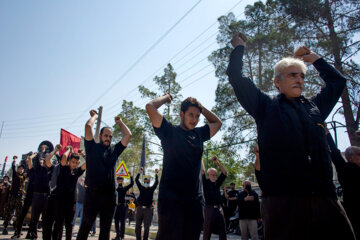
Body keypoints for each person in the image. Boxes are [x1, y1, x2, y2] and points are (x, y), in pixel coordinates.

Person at [227, 32, 355, 239]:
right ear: (277, 81)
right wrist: (239, 47)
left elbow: (337, 82)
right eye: (292, 75)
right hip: (284, 201)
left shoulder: (315, 107)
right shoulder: (265, 106)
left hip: (325, 197)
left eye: (302, 76)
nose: (299, 79)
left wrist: (314, 59)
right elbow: (236, 76)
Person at [146, 95, 222, 240]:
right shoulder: (169, 131)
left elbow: (217, 122)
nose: (194, 119)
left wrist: (201, 107)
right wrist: (166, 98)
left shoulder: (199, 134)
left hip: (195, 202)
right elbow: (150, 107)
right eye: (191, 115)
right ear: (181, 114)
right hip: (171, 200)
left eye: (197, 116)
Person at [77, 110, 132, 240]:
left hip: (109, 196)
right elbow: (88, 127)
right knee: (85, 227)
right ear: (100, 136)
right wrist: (94, 116)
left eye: (110, 136)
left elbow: (128, 135)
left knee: (105, 230)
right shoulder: (91, 147)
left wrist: (120, 122)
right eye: (106, 135)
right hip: (92, 194)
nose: (108, 138)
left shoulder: (114, 150)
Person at [327, 130, 360, 239]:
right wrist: (327, 134)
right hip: (355, 214)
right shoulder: (346, 170)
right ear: (350, 157)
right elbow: (335, 153)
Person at [49, 147, 86, 240]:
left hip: (71, 202)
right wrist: (69, 149)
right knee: (58, 224)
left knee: (69, 225)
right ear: (69, 161)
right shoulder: (63, 168)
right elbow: (64, 158)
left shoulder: (77, 171)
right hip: (60, 200)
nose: (74, 164)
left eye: (76, 163)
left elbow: (88, 163)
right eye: (73, 162)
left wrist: (82, 154)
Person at [201, 156, 227, 240]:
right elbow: (202, 171)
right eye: (212, 174)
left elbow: (224, 172)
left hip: (218, 209)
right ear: (208, 175)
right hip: (208, 208)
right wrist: (201, 159)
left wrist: (217, 163)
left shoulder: (217, 183)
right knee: (207, 230)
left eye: (215, 174)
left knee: (223, 229)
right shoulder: (205, 182)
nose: (215, 176)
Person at [2, 156, 26, 235]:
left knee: (19, 215)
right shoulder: (15, 175)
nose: (21, 170)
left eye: (22, 169)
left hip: (20, 198)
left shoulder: (24, 177)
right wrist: (14, 160)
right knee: (9, 213)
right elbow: (13, 166)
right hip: (13, 197)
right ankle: (5, 227)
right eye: (20, 168)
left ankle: (17, 230)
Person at [135, 167, 158, 240]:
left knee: (147, 226)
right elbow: (136, 180)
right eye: (145, 181)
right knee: (137, 226)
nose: (146, 183)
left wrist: (156, 174)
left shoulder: (151, 189)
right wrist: (139, 172)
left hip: (148, 210)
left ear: (149, 182)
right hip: (140, 209)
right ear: (143, 182)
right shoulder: (141, 188)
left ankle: (145, 239)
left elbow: (156, 183)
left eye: (147, 182)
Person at [113, 173, 134, 240]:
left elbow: (132, 184)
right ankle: (117, 235)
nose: (120, 181)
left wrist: (131, 176)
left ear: (123, 181)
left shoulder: (124, 188)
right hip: (116, 207)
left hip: (123, 207)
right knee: (116, 221)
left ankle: (122, 236)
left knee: (122, 222)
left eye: (121, 180)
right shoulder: (115, 189)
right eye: (119, 180)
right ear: (117, 181)